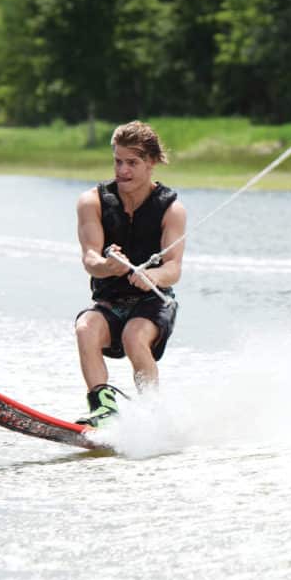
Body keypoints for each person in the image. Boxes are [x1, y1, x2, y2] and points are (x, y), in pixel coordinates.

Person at [73, 121, 187, 427]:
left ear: (150, 162)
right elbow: (90, 257)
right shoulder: (92, 202)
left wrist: (154, 276)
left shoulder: (171, 209)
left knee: (134, 336)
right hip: (111, 300)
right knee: (85, 328)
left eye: (132, 163)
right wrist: (107, 266)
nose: (122, 170)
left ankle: (153, 412)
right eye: (118, 161)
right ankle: (103, 408)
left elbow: (174, 267)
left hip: (153, 302)